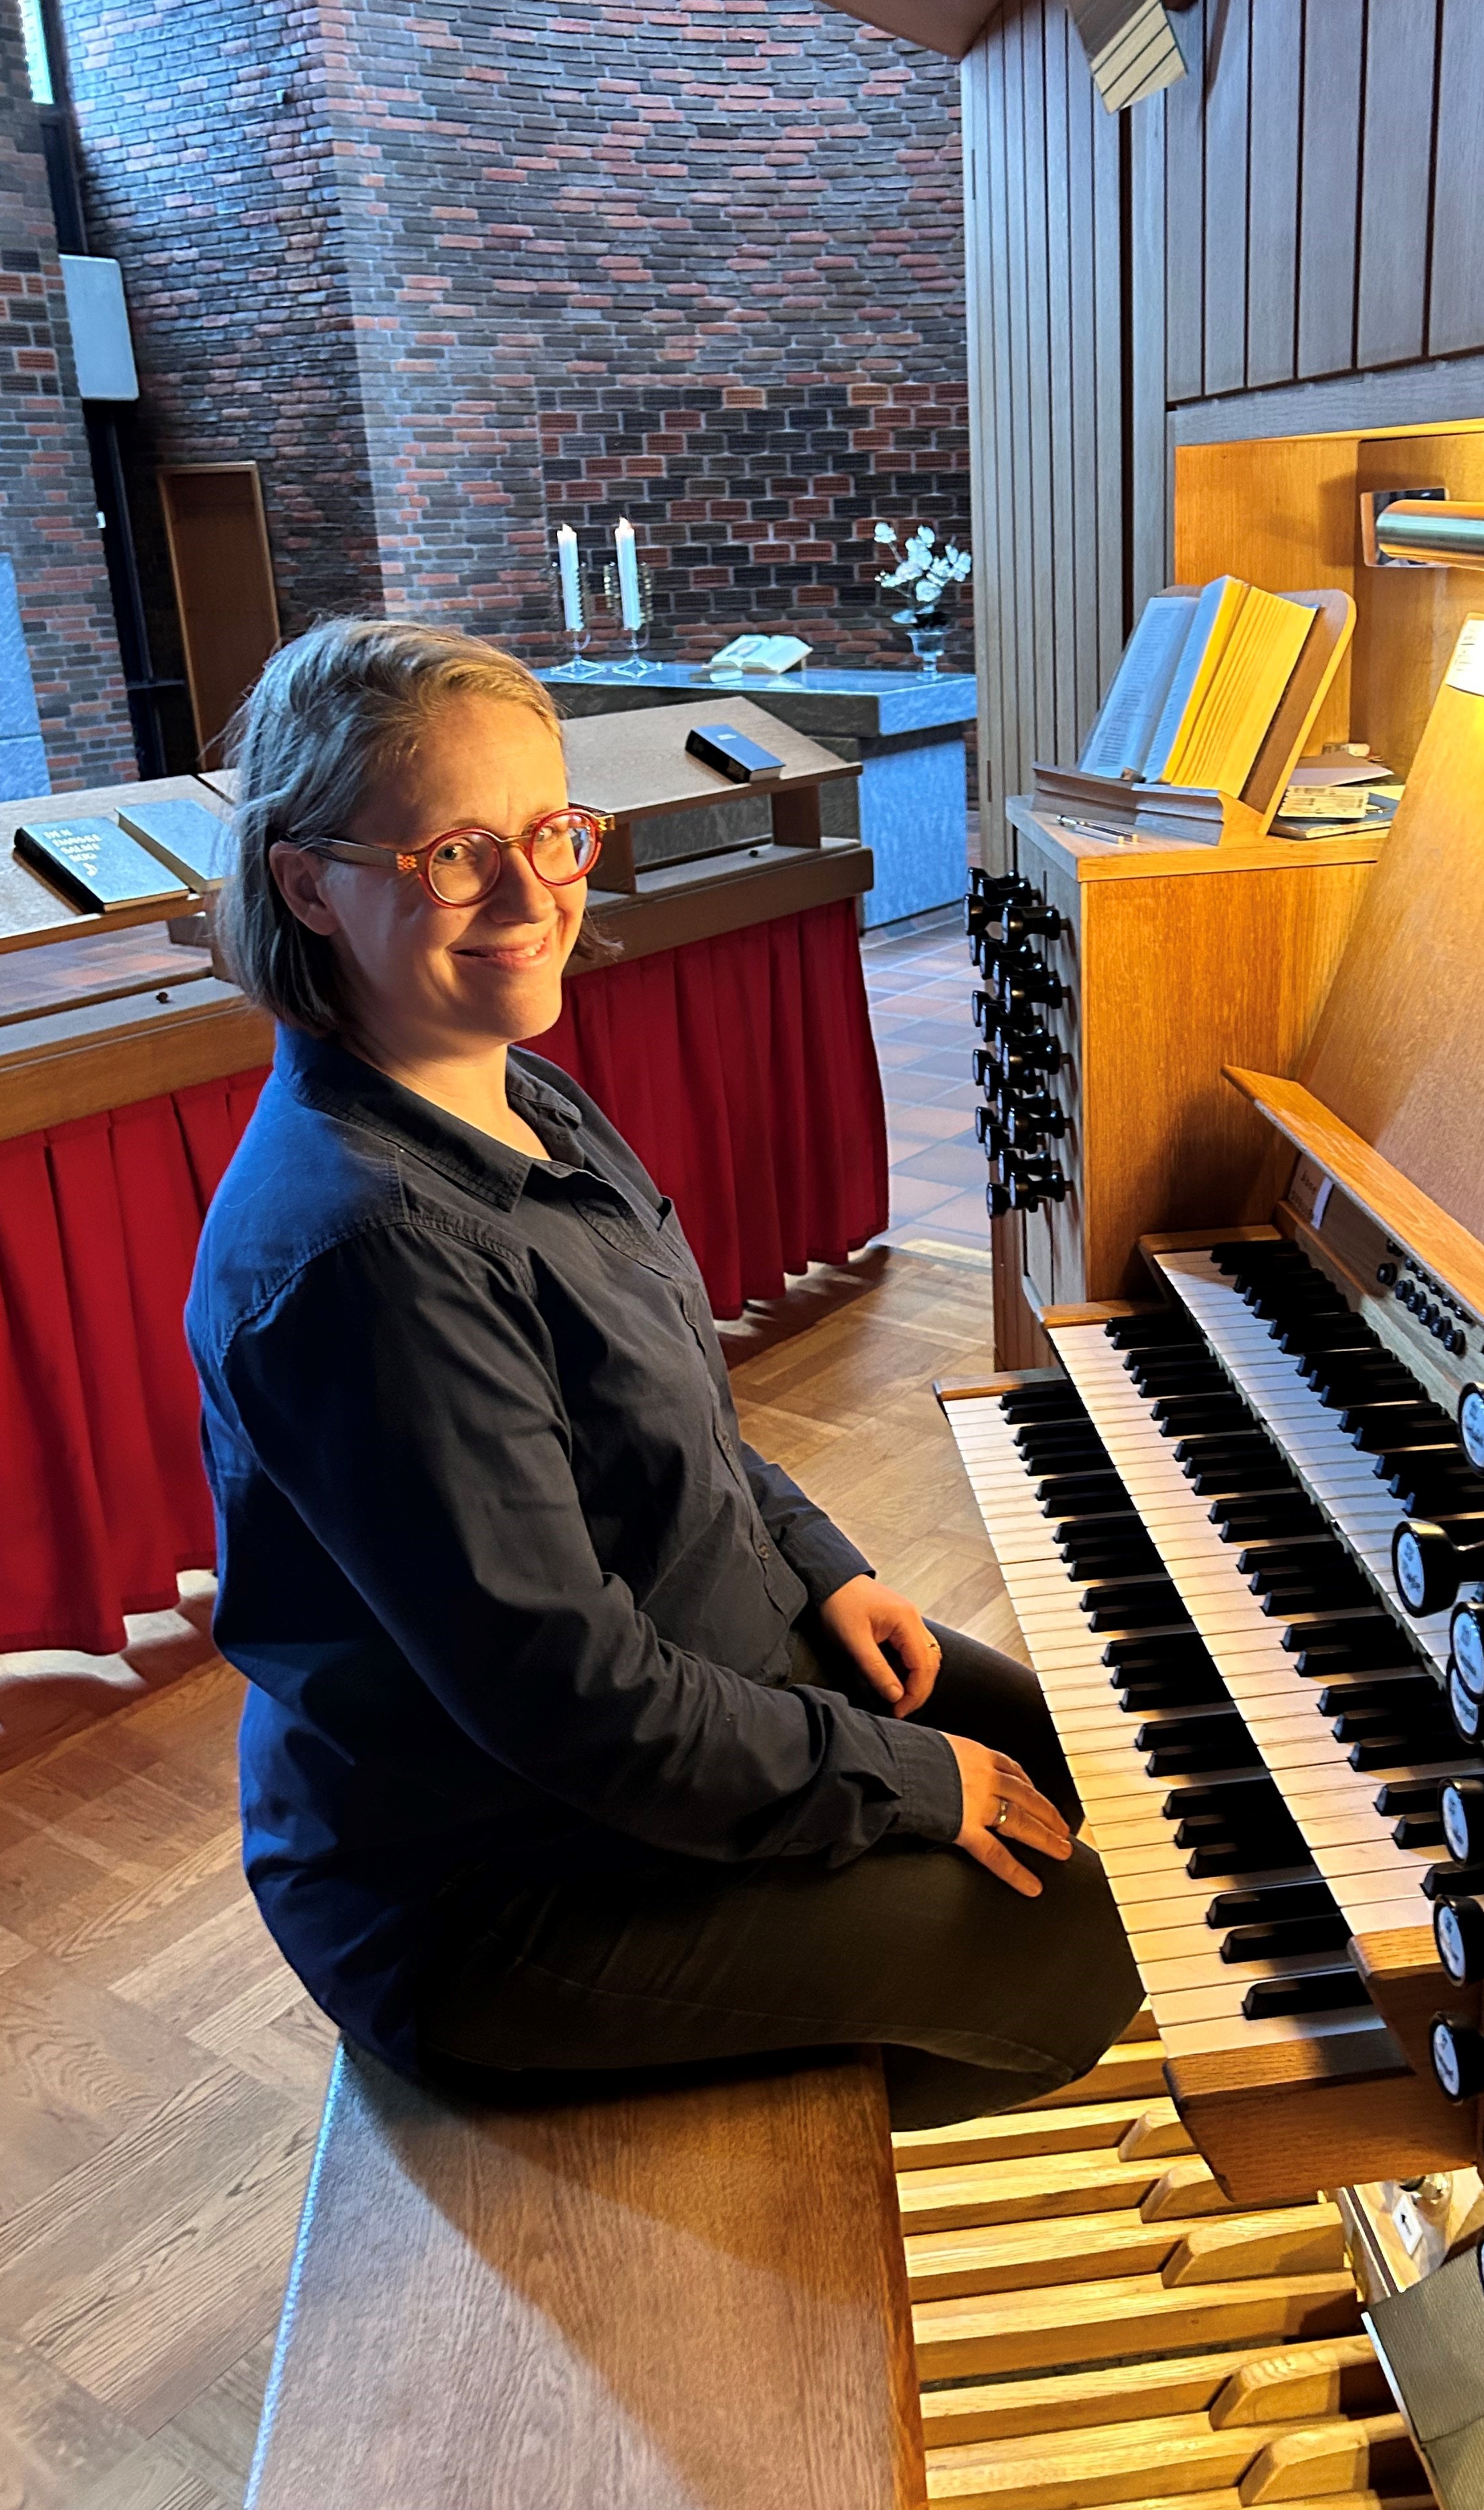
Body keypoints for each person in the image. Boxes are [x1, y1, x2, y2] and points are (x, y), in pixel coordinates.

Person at [185, 618, 1141, 2127]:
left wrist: (821, 1566)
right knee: (1077, 1953)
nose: (530, 895)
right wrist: (900, 1784)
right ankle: (736, 2180)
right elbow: (581, 1711)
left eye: (553, 834)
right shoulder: (365, 1253)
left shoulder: (529, 1100)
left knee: (1083, 1758)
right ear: (308, 882)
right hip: (496, 1880)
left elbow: (674, 1415)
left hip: (681, 1686)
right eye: (452, 855)